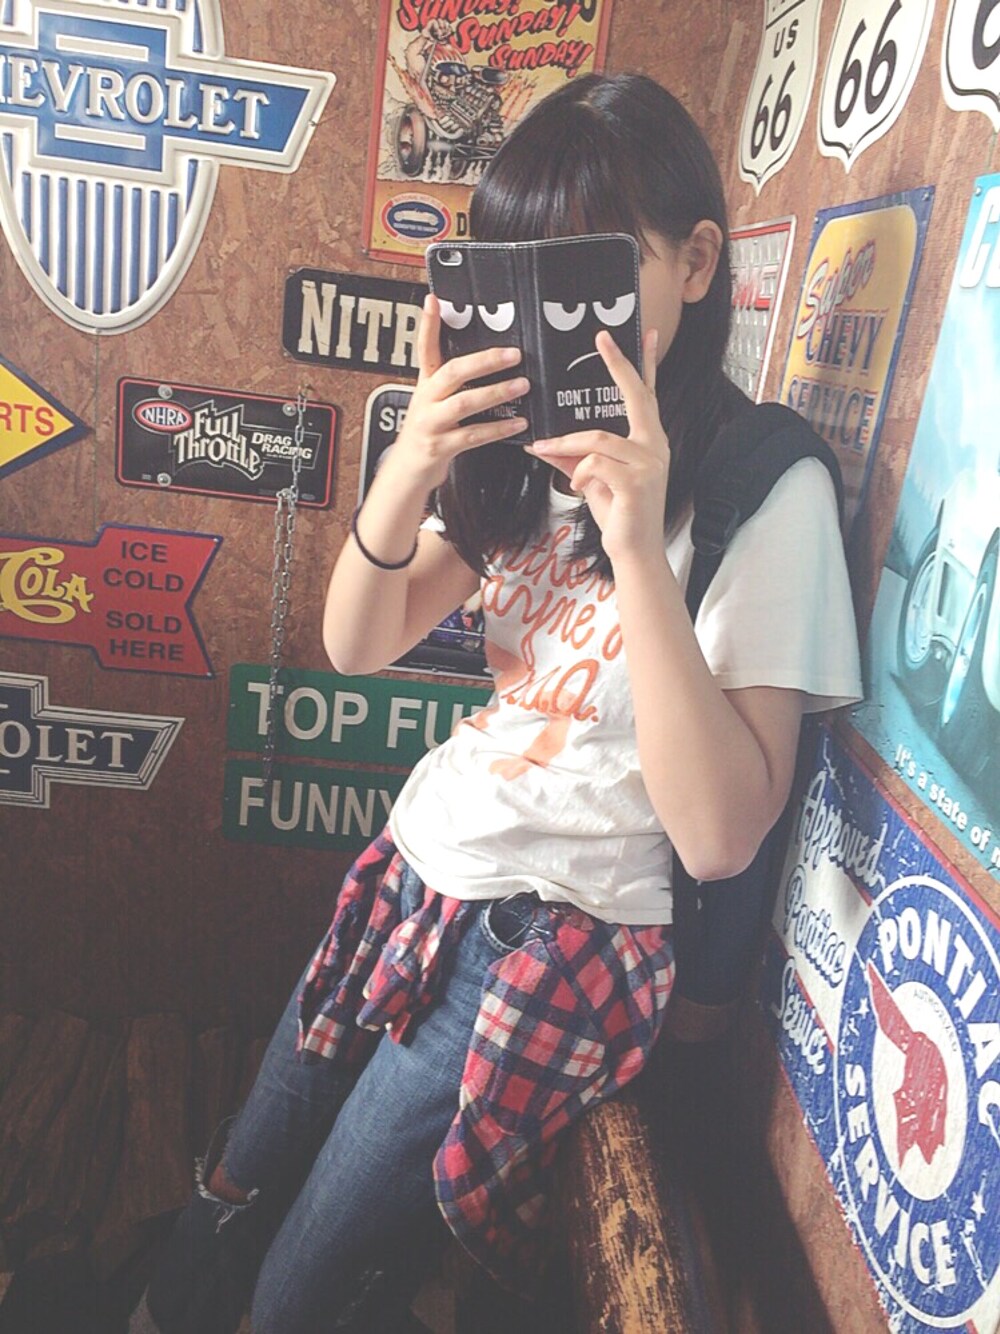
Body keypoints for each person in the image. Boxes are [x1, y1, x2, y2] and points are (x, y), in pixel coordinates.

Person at [130, 72, 862, 1334]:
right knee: (247, 1158)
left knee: (308, 1270)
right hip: (415, 864)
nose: (551, 314)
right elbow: (357, 643)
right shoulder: (528, 448)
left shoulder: (762, 481)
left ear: (695, 264)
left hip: (548, 940)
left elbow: (718, 834)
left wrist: (638, 543)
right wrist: (413, 458)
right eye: (520, 274)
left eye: (590, 270)